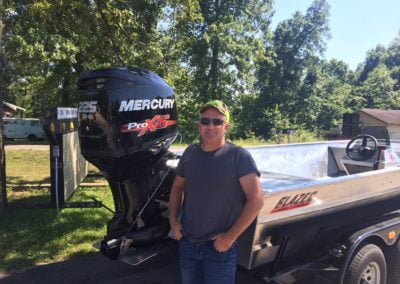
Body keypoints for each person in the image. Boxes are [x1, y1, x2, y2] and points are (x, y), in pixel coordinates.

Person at [169, 100, 265, 284]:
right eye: (205, 121)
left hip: (218, 247)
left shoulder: (238, 156)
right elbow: (177, 187)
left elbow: (256, 200)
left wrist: (229, 238)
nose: (210, 126)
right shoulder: (190, 153)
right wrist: (173, 221)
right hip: (188, 242)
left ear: (226, 126)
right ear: (199, 125)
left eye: (217, 121)